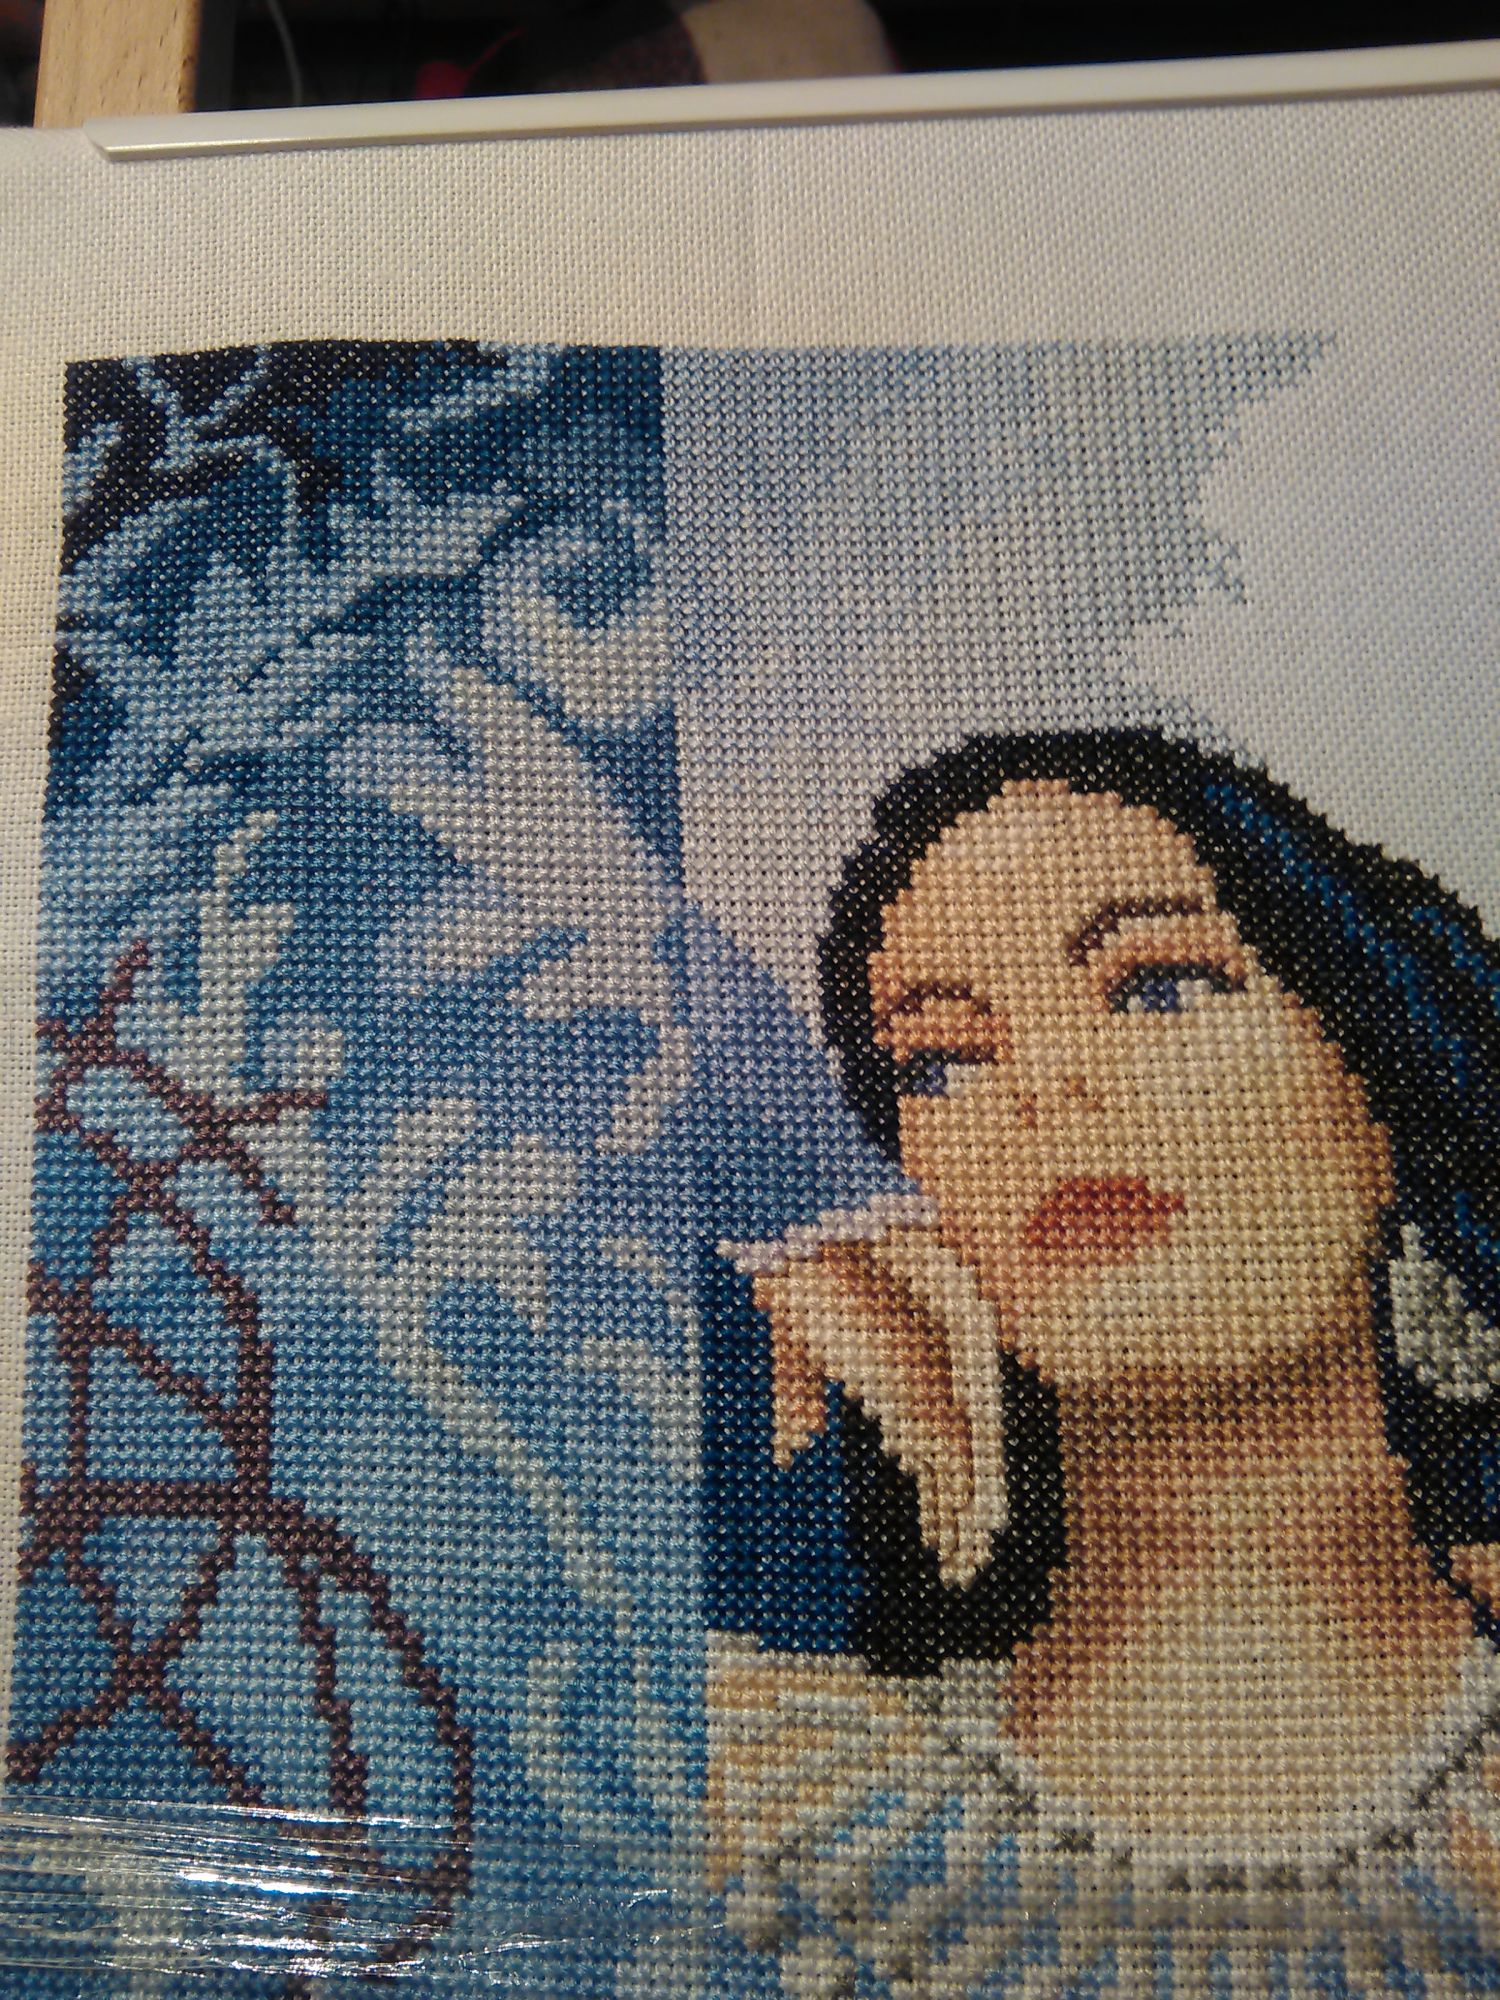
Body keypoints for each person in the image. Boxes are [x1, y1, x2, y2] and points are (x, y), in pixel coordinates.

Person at [708, 727, 1500, 1999]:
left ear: (1375, 1072)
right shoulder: (758, 1770)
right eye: (942, 1059)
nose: (1045, 1087)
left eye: (1157, 986)